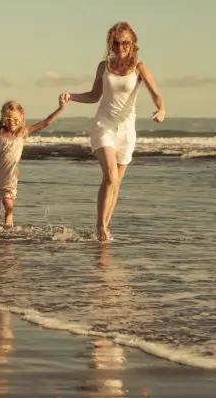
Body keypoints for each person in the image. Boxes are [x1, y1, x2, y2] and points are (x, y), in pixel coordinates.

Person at [61, 22, 165, 242]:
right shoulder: (104, 66)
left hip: (126, 131)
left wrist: (161, 109)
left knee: (116, 183)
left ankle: (104, 230)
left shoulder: (139, 68)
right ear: (111, 43)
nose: (120, 47)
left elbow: (156, 94)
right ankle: (100, 227)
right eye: (116, 43)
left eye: (125, 43)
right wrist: (71, 96)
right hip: (103, 126)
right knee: (110, 176)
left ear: (133, 43)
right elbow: (94, 96)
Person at [0, 97, 69, 234]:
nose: (12, 123)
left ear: (22, 117)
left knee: (8, 201)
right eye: (8, 119)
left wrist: (61, 108)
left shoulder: (23, 132)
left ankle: (9, 214)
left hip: (11, 173)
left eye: (15, 120)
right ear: (3, 118)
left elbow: (46, 122)